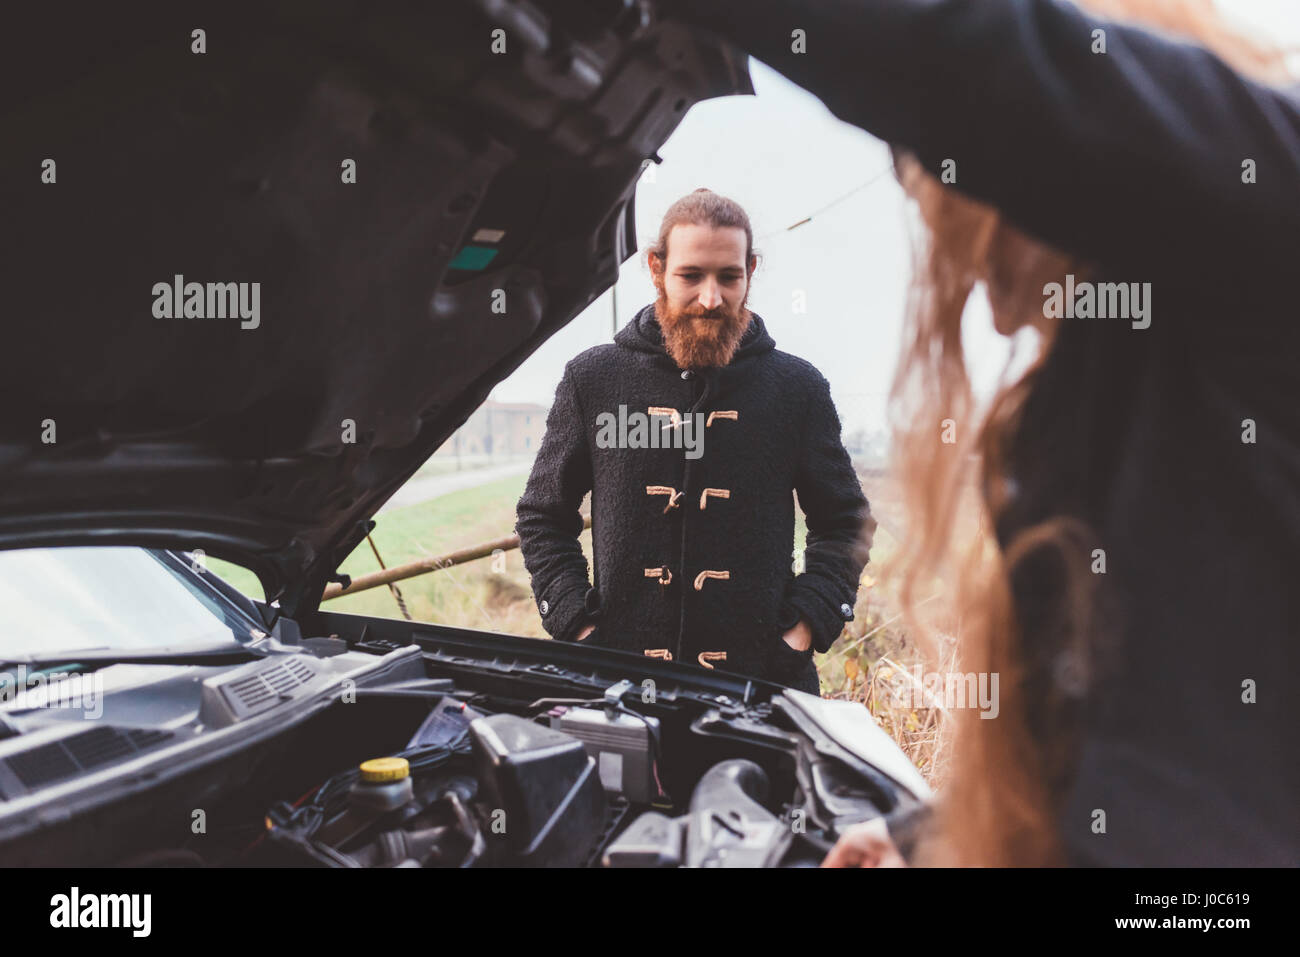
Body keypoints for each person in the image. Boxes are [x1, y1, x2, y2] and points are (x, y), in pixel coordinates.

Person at [654, 0, 1300, 866]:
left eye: (959, 211)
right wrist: (925, 835)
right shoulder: (1113, 391)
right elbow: (1133, 730)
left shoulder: (1270, 210)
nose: (979, 296)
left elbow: (976, 50)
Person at [516, 189, 873, 693]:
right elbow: (542, 514)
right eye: (691, 276)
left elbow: (845, 522)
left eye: (729, 276)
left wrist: (803, 628)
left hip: (762, 683)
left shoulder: (798, 388)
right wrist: (577, 624)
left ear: (751, 270)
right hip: (617, 684)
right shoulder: (593, 379)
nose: (712, 298)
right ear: (657, 268)